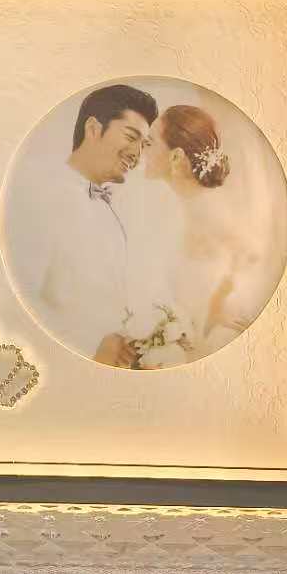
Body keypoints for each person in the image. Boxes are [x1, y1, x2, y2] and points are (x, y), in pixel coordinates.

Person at [30, 83, 157, 366]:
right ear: (93, 128)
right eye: (131, 137)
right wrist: (90, 348)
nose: (137, 154)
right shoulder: (41, 197)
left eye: (144, 145)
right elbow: (24, 298)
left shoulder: (110, 208)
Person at [134, 103, 251, 354]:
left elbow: (250, 254)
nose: (141, 150)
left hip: (208, 338)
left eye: (150, 143)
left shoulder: (207, 207)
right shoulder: (181, 204)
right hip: (184, 333)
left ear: (176, 157)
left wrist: (218, 303)